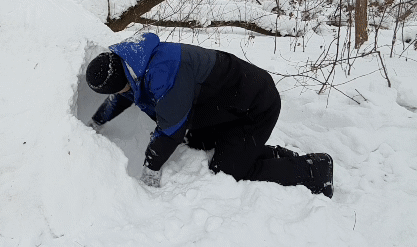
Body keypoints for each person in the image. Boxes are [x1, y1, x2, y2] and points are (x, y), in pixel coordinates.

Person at [85, 32, 333, 198]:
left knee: (227, 170)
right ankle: (270, 154)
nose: (120, 92)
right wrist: (97, 121)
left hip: (255, 104)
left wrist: (151, 169)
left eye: (117, 88)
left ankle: (313, 171)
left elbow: (170, 129)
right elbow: (121, 96)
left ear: (121, 79)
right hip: (226, 106)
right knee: (195, 140)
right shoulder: (132, 64)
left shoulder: (163, 73)